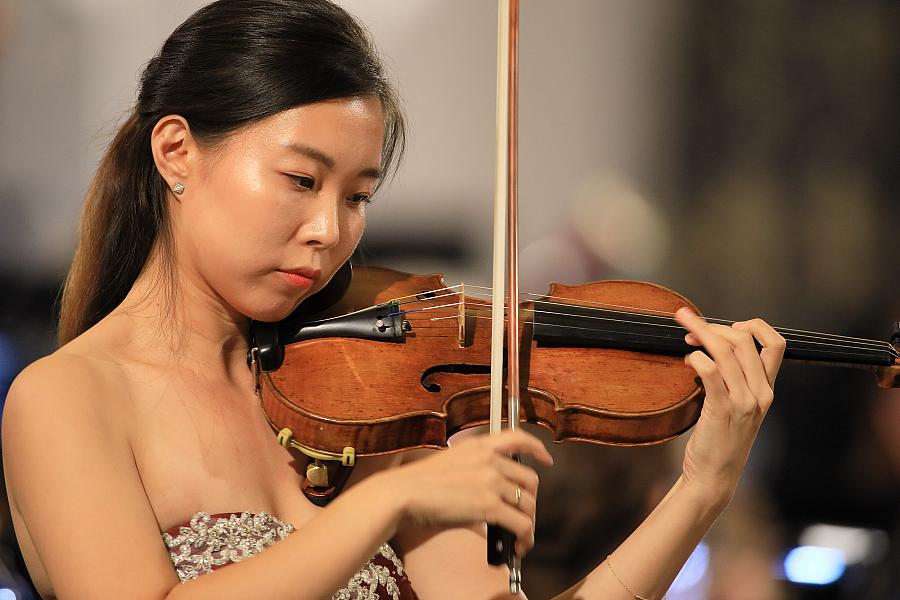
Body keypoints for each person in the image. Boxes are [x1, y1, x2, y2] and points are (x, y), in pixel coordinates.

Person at [0, 1, 786, 598]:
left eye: (358, 196)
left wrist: (702, 489)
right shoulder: (67, 398)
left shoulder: (373, 398)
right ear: (175, 152)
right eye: (302, 180)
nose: (329, 229)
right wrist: (380, 508)